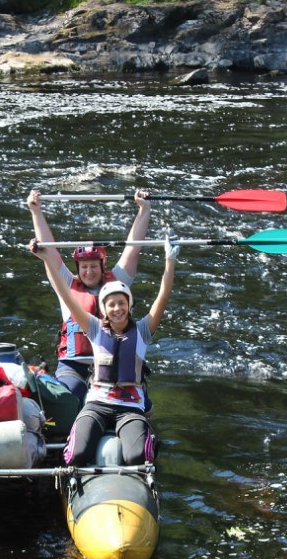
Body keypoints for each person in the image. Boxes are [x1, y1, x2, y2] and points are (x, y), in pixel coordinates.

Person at [31, 234, 178, 467]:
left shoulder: (143, 330)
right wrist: (47, 260)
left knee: (136, 457)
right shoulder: (94, 328)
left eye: (122, 303)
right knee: (77, 455)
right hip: (98, 404)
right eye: (111, 304)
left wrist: (170, 261)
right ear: (104, 308)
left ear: (129, 305)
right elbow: (65, 294)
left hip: (129, 407)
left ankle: (146, 441)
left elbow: (164, 295)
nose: (117, 308)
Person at [27, 189, 152, 402]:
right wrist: (36, 212)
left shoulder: (118, 281)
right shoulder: (67, 284)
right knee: (68, 396)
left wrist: (144, 209)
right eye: (84, 267)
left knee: (130, 401)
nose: (89, 271)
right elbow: (50, 251)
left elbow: (133, 249)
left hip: (113, 364)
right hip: (73, 366)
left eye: (94, 266)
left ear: (102, 265)